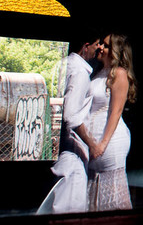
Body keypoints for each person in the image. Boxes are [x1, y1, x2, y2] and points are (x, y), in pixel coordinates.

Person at [37, 38, 99, 214]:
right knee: (70, 205)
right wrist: (92, 144)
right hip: (72, 149)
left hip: (59, 145)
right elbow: (71, 116)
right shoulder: (80, 73)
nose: (98, 48)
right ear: (85, 46)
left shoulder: (64, 64)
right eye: (96, 44)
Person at [87, 33, 137, 211]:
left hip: (110, 141)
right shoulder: (99, 73)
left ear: (116, 51)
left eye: (106, 45)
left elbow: (116, 112)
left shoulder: (119, 74)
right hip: (94, 141)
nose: (100, 47)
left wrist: (102, 144)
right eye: (101, 43)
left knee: (112, 195)